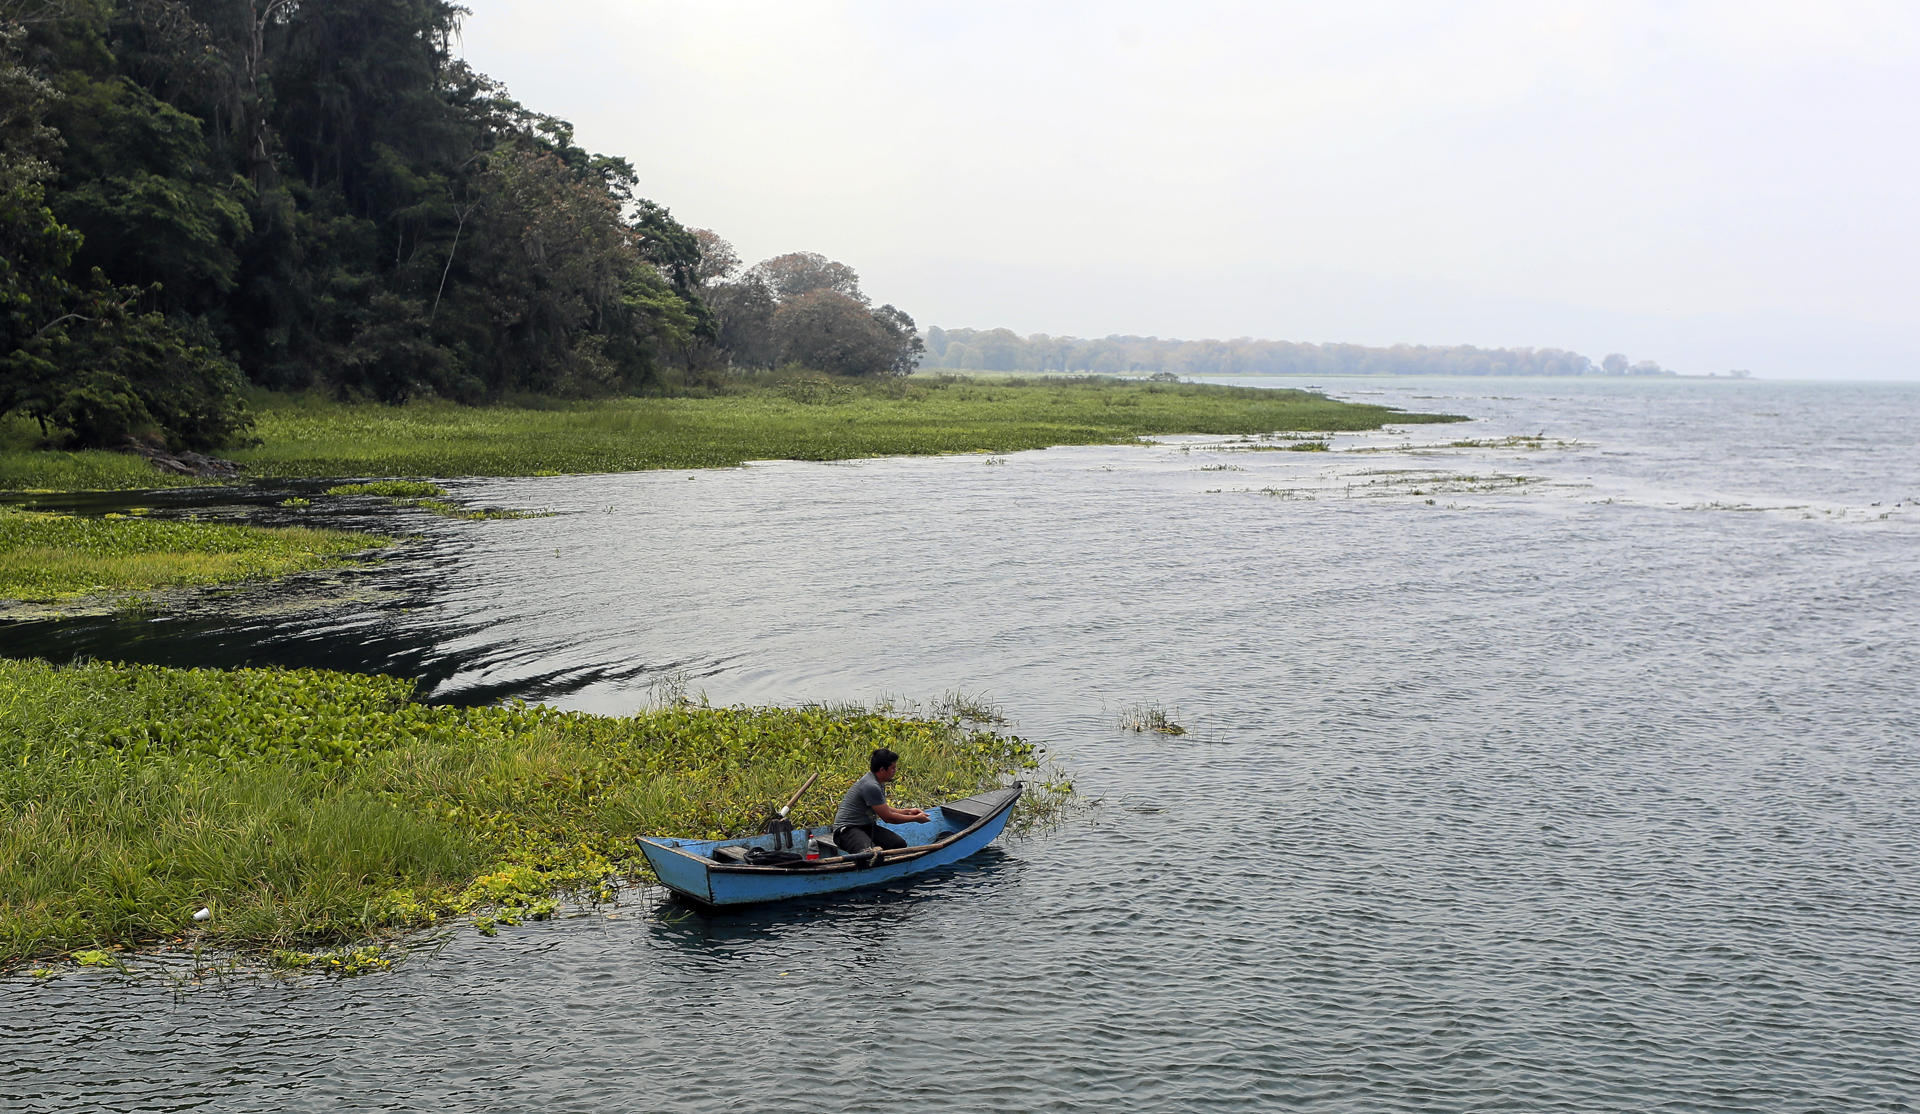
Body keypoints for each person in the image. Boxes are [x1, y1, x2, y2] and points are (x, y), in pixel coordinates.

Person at [832, 747, 929, 853]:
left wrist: (908, 811)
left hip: (865, 827)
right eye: (893, 768)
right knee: (868, 854)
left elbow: (883, 808)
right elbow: (888, 818)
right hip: (846, 831)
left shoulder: (879, 782)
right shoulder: (871, 786)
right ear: (882, 770)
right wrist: (915, 819)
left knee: (898, 844)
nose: (895, 771)